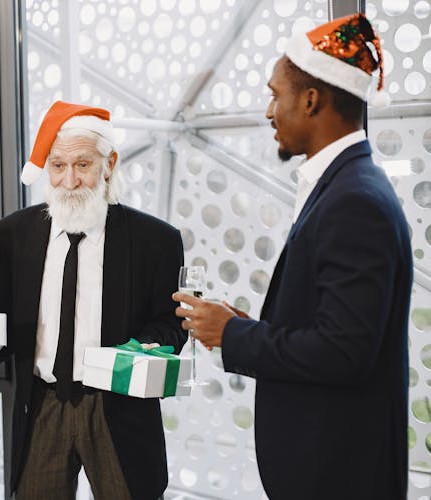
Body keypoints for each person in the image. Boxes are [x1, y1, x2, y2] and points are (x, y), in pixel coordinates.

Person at [174, 13, 411, 500]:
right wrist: (239, 326)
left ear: (310, 99)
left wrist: (235, 333)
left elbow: (344, 353)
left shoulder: (355, 201)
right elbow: (332, 327)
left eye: (275, 94)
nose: (268, 111)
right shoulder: (347, 187)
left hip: (337, 476)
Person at [0, 101, 184, 499]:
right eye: (57, 166)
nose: (68, 181)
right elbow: (12, 322)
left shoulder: (156, 240)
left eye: (83, 165)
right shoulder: (13, 233)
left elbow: (170, 323)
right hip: (41, 406)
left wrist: (146, 349)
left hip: (116, 409)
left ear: (110, 164)